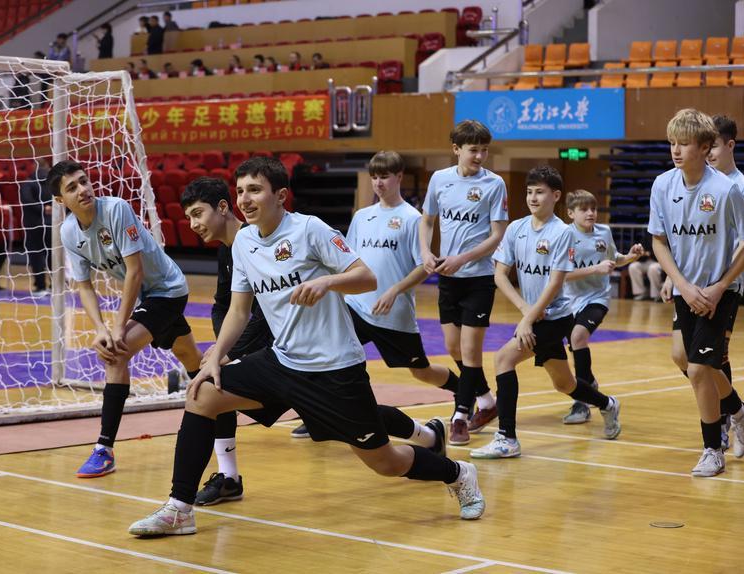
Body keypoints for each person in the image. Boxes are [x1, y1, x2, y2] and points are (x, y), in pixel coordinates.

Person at [127, 157, 485, 536]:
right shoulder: (244, 242)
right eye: (241, 190)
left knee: (385, 462)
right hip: (281, 361)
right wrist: (215, 357)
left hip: (335, 369)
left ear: (280, 196)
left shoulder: (310, 229)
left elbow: (366, 277)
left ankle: (458, 473)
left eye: (255, 190)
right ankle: (180, 508)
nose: (245, 199)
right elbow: (239, 310)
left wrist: (327, 282)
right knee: (201, 395)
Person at [46, 160, 204, 478]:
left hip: (168, 290)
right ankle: (223, 402)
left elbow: (135, 271)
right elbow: (84, 285)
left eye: (84, 181)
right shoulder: (68, 232)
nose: (83, 189)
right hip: (149, 298)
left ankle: (104, 450)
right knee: (189, 356)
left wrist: (117, 327)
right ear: (61, 200)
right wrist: (99, 328)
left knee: (116, 354)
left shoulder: (116, 209)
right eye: (72, 187)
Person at [292, 151, 461, 439]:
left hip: (392, 314)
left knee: (420, 370)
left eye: (384, 176)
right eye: (374, 177)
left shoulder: (413, 219)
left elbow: (424, 267)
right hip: (357, 306)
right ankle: (318, 416)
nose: (378, 183)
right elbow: (350, 260)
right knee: (328, 355)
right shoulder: (362, 216)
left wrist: (395, 290)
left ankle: (463, 390)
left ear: (399, 177)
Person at [470, 166, 623, 459]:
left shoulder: (562, 233)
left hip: (556, 318)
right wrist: (525, 311)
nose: (532, 197)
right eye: (529, 192)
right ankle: (607, 404)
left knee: (503, 359)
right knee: (564, 383)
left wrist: (529, 319)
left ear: (556, 196)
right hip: (534, 315)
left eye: (539, 192)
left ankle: (507, 438)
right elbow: (500, 275)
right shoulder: (516, 228)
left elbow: (555, 283)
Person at [649, 108, 744, 477]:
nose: (675, 150)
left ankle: (713, 449)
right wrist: (678, 282)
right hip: (686, 288)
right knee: (684, 358)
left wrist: (720, 286)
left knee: (700, 368)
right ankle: (741, 410)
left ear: (705, 147)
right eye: (672, 143)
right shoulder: (662, 185)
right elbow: (658, 240)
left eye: (684, 143)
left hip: (719, 290)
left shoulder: (728, 190)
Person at [180, 177, 274, 505]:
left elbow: (265, 313)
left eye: (197, 214)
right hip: (262, 348)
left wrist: (228, 350)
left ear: (222, 207)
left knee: (356, 428)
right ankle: (229, 477)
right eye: (188, 218)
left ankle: (419, 431)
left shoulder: (256, 243)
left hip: (292, 351)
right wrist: (222, 347)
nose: (193, 225)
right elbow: (223, 305)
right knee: (213, 383)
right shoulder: (227, 251)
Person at [419, 120, 507, 445]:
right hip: (448, 278)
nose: (480, 156)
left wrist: (462, 258)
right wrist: (425, 251)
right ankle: (486, 401)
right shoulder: (439, 179)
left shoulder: (494, 184)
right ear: (456, 149)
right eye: (474, 150)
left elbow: (498, 234)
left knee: (471, 351)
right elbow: (427, 220)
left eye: (484, 150)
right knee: (454, 348)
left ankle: (460, 416)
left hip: (478, 279)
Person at [561, 190, 644, 424]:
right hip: (569, 302)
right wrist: (595, 269)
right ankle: (588, 384)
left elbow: (614, 259)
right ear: (571, 213)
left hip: (597, 298)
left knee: (578, 337)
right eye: (584, 209)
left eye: (594, 209)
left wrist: (631, 256)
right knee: (574, 346)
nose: (590, 213)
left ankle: (581, 404)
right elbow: (561, 275)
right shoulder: (564, 236)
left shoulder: (604, 232)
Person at [20, 159, 52, 296]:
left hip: (33, 225)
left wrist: (42, 209)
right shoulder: (52, 183)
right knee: (53, 255)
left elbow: (26, 200)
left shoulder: (28, 183)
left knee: (36, 256)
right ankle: (55, 285)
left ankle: (40, 286)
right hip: (51, 224)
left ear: (34, 167)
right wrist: (50, 209)